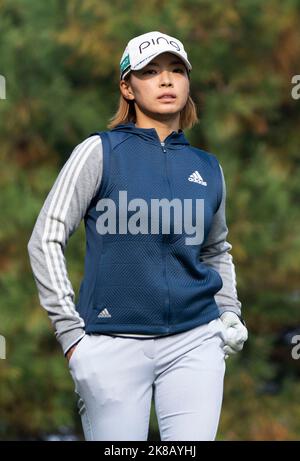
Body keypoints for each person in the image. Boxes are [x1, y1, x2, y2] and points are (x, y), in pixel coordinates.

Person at [27, 30, 248, 441]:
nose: (166, 81)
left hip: (195, 341)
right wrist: (72, 335)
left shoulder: (208, 166)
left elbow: (216, 248)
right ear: (127, 87)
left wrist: (228, 311)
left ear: (187, 82)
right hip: (110, 345)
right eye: (150, 71)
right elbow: (46, 237)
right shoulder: (99, 152)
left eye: (176, 70)